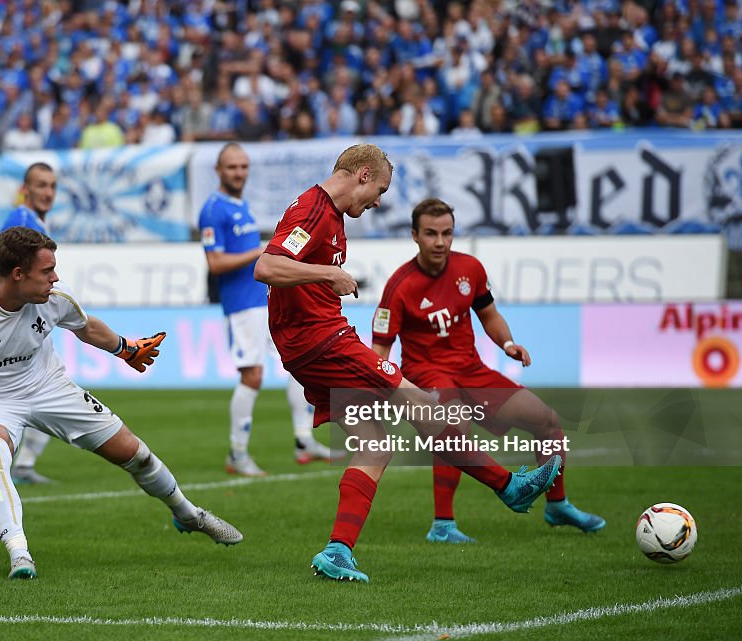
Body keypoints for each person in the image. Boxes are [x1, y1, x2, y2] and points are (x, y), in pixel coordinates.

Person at [253, 144, 561, 583]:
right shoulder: (312, 210)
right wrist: (328, 274)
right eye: (378, 190)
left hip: (315, 343)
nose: (378, 201)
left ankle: (337, 551)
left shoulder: (330, 216)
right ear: (362, 175)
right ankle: (507, 485)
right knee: (424, 405)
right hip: (323, 342)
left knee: (376, 445)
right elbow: (266, 266)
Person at [0, 227, 243, 579]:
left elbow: (85, 326)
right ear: (18, 274)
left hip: (47, 385)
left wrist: (125, 349)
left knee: (136, 454)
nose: (55, 277)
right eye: (47, 270)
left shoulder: (54, 297)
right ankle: (19, 553)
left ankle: (188, 513)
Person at [371, 198, 605, 544]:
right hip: (427, 372)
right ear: (414, 236)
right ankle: (443, 524)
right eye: (431, 234)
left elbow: (489, 315)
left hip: (471, 369)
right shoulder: (399, 286)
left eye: (447, 233)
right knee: (453, 428)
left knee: (548, 422)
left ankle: (557, 505)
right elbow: (380, 348)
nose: (440, 241)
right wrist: (384, 390)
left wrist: (508, 344)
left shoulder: (471, 269)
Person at [199, 143, 343, 477]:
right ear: (218, 171)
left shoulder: (240, 205)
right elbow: (215, 262)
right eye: (232, 167)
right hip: (240, 306)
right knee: (253, 375)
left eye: (244, 166)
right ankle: (237, 453)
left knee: (298, 364)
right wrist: (259, 253)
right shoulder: (213, 210)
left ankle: (304, 439)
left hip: (263, 302)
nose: (239, 173)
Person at [0, 162, 59, 484]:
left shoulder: (33, 221)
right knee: (48, 384)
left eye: (52, 186)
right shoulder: (21, 220)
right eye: (41, 185)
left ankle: (23, 464)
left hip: (31, 313)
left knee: (48, 382)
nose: (47, 192)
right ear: (26, 188)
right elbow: (0, 268)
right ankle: (22, 464)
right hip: (19, 317)